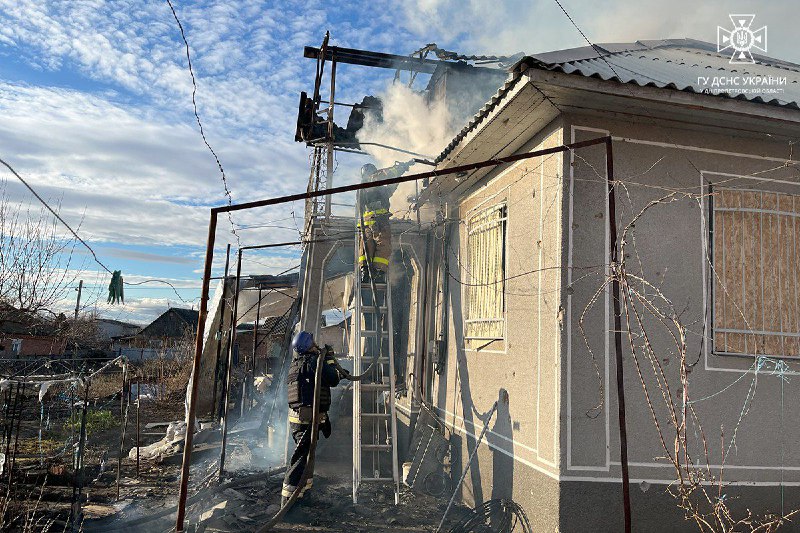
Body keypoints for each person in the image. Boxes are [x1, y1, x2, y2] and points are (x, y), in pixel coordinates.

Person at [281, 331, 347, 503]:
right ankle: (288, 502)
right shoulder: (314, 361)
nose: (316, 344)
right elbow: (332, 378)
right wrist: (331, 359)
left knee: (307, 458)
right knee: (301, 460)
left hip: (300, 419)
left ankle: (303, 495)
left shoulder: (297, 363)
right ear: (309, 345)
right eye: (313, 342)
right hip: (307, 420)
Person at [357, 161, 414, 283]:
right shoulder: (373, 184)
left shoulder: (363, 190)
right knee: (383, 245)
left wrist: (399, 174)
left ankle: (365, 271)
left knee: (366, 247)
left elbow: (391, 186)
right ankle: (378, 272)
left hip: (366, 225)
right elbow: (388, 178)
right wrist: (401, 168)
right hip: (380, 222)